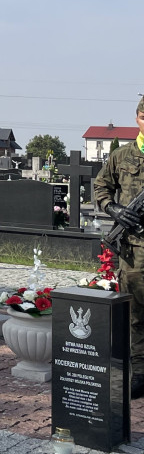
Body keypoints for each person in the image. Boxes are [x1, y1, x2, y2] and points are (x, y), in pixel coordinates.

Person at [94, 97, 144, 398]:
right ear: (139, 117)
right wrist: (114, 210)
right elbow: (100, 187)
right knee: (137, 315)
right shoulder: (121, 155)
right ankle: (139, 373)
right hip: (134, 250)